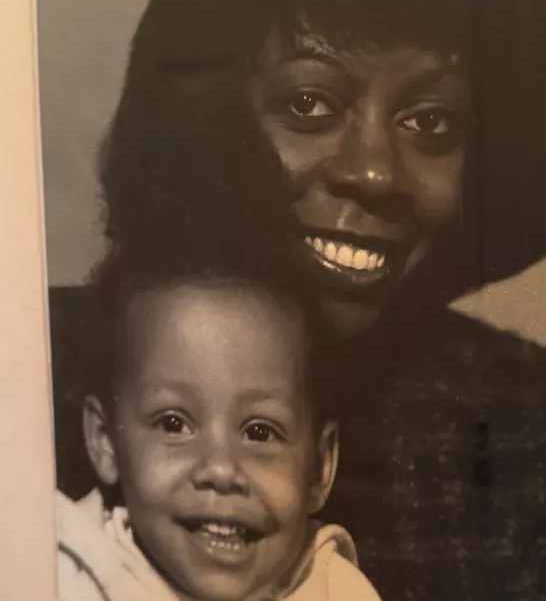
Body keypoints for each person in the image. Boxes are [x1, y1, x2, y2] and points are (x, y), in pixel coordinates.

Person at [49, 0, 546, 601]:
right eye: (309, 103)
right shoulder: (37, 372)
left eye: (429, 121)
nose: (373, 172)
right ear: (206, 117)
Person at [56, 253, 382, 601]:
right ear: (106, 441)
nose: (221, 470)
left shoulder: (337, 589)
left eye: (259, 432)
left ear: (318, 467)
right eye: (174, 424)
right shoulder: (63, 578)